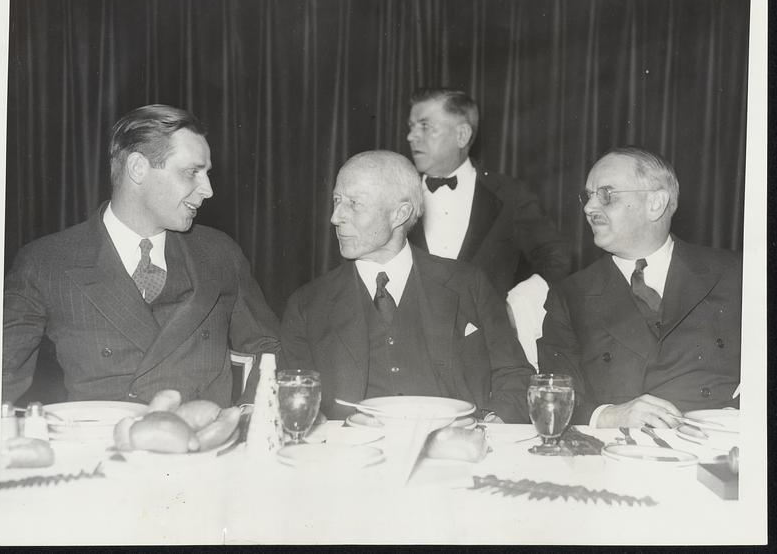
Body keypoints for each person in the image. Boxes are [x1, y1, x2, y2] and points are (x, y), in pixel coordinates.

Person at [3, 104, 281, 407]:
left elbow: (268, 347)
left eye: (206, 174)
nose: (208, 190)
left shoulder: (220, 252)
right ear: (138, 168)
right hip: (102, 446)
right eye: (192, 173)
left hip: (202, 445)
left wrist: (248, 419)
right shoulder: (45, 262)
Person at [280, 150, 534, 422]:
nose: (335, 217)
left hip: (454, 454)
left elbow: (515, 375)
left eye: (354, 203)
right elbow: (289, 396)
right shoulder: (308, 304)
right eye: (336, 200)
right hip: (352, 456)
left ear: (400, 213)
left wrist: (493, 421)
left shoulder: (468, 284)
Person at [537, 147, 742, 428]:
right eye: (588, 196)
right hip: (620, 454)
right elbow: (552, 395)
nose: (588, 208)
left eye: (606, 195)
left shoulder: (737, 273)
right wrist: (609, 416)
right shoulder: (570, 296)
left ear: (656, 203)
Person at [406, 87, 571, 298]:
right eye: (411, 127)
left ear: (462, 135)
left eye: (425, 126)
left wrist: (521, 304)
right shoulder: (396, 194)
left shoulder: (510, 194)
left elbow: (557, 256)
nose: (411, 136)